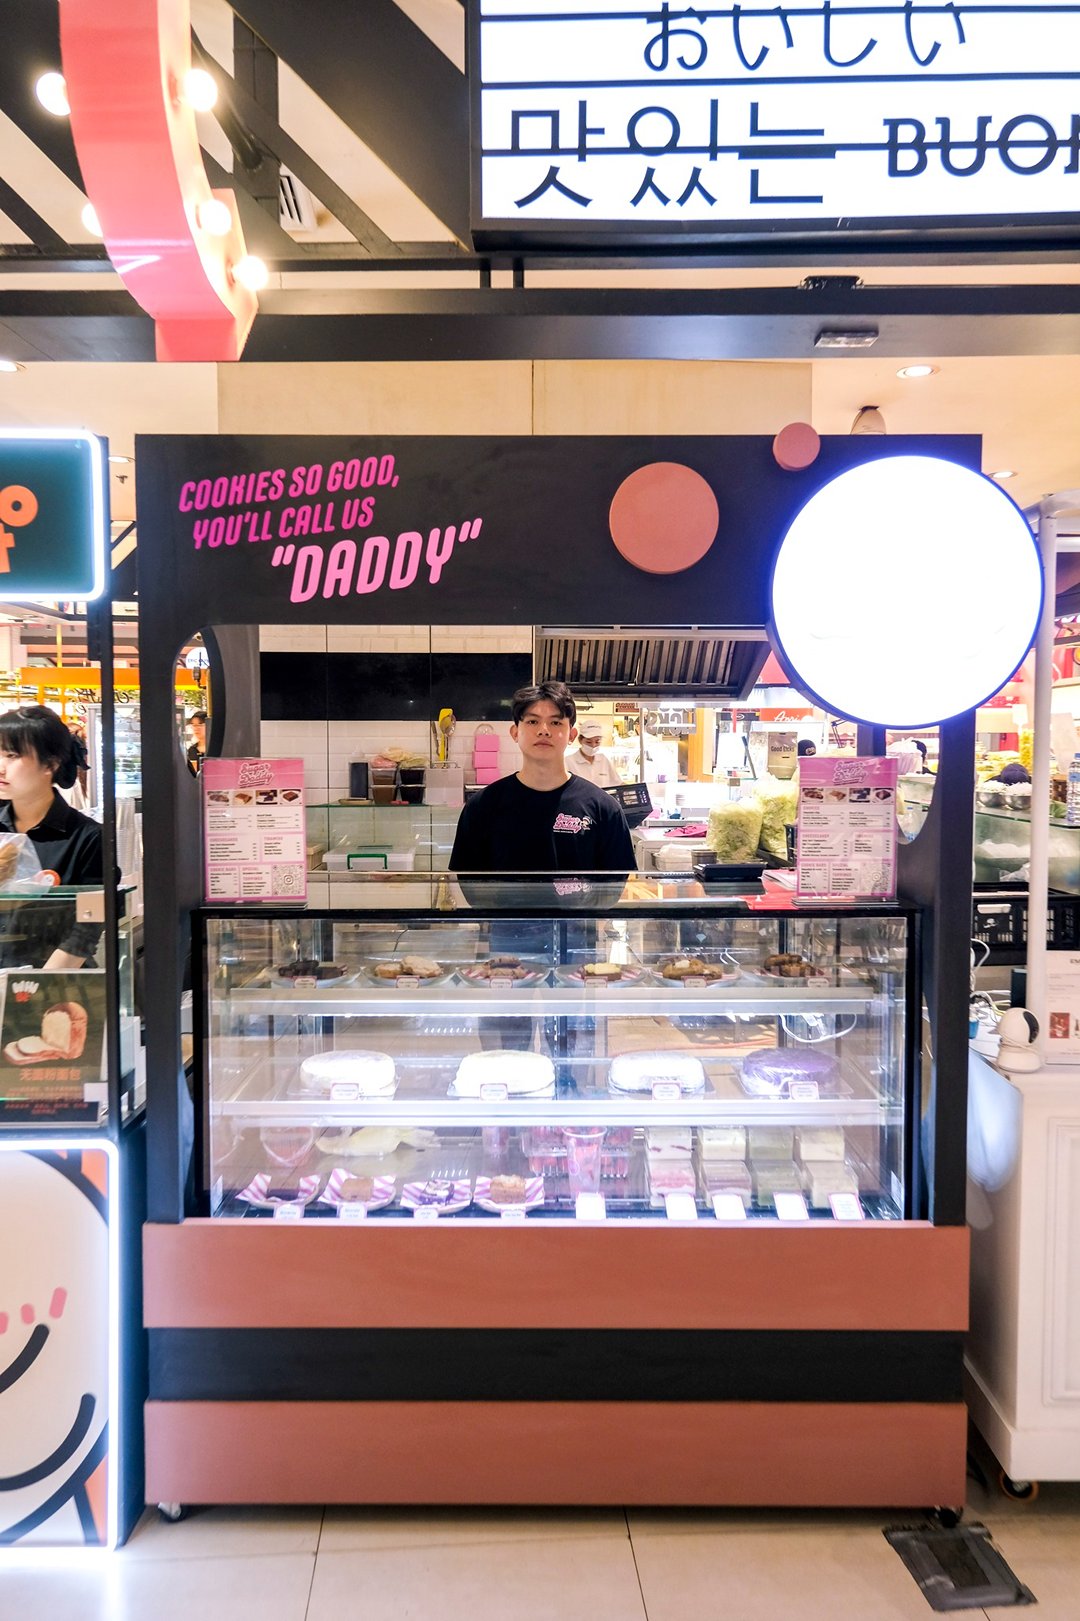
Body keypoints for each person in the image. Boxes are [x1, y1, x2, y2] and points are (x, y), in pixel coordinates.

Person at [449, 681, 634, 874]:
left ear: (571, 735)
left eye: (555, 722)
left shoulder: (605, 809)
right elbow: (468, 881)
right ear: (515, 733)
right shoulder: (482, 806)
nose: (543, 730)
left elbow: (615, 883)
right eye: (532, 721)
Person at [0, 705, 103, 967]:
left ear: (50, 764)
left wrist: (38, 984)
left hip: (53, 982)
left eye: (12, 755)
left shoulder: (87, 837)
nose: (1, 767)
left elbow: (87, 928)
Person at [566, 718, 622, 790]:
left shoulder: (603, 760)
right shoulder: (568, 762)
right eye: (588, 742)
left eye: (597, 742)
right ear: (580, 740)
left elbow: (618, 783)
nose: (593, 745)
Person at [186, 710, 208, 776]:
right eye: (194, 725)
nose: (196, 728)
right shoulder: (191, 750)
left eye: (200, 724)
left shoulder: (215, 748)